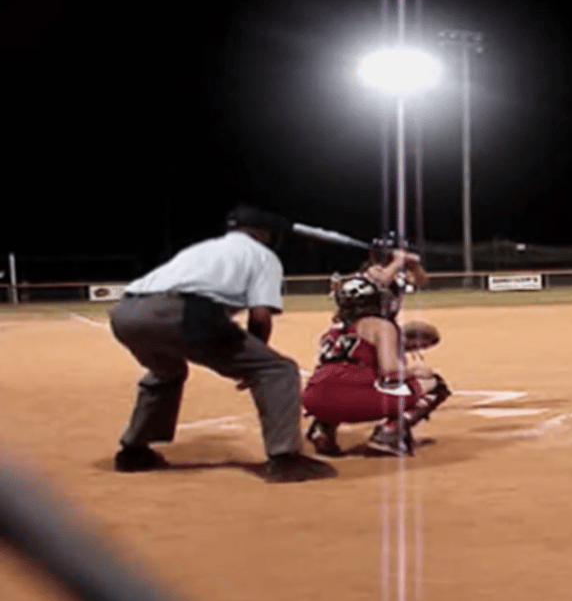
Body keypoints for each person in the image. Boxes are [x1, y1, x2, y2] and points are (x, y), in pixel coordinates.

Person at [107, 205, 337, 483]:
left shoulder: (202, 249)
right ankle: (285, 457)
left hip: (125, 314)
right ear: (262, 233)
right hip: (184, 313)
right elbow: (260, 315)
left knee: (166, 372)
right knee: (277, 370)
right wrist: (254, 363)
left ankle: (133, 451)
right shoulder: (262, 256)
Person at [301, 268, 451, 457]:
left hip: (313, 399)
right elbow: (390, 372)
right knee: (434, 384)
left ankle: (322, 429)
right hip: (352, 398)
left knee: (334, 383)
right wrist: (415, 371)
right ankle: (389, 433)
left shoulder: (332, 332)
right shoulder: (381, 325)